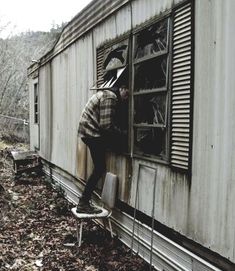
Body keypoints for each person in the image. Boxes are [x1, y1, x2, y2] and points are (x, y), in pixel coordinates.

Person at [76, 86, 129, 213]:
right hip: (91, 133)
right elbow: (106, 126)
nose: (126, 99)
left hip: (89, 132)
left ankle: (84, 202)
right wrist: (123, 134)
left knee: (99, 167)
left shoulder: (107, 95)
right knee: (100, 168)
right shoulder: (111, 97)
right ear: (122, 89)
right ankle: (83, 203)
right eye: (127, 95)